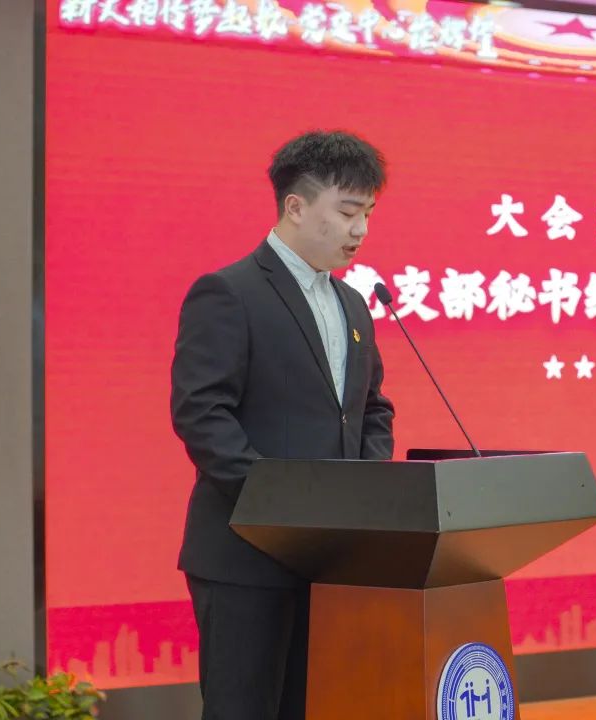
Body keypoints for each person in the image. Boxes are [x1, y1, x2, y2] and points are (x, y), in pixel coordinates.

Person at [170, 130, 395, 720]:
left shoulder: (353, 304)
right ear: (295, 206)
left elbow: (371, 408)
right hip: (246, 555)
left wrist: (366, 490)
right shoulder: (229, 292)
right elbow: (201, 412)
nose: (360, 230)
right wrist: (281, 508)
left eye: (368, 214)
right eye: (347, 212)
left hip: (332, 559)